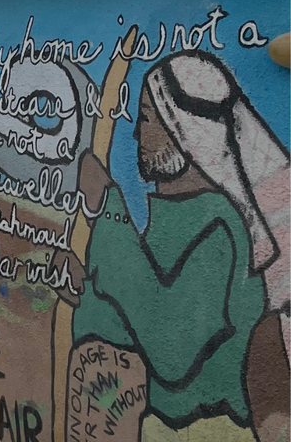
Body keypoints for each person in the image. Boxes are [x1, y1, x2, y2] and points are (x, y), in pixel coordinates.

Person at [75, 51, 289, 438]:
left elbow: (169, 348)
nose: (138, 135)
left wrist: (108, 205)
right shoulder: (177, 217)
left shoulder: (220, 228)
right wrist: (87, 290)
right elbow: (136, 297)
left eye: (146, 118)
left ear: (183, 129)